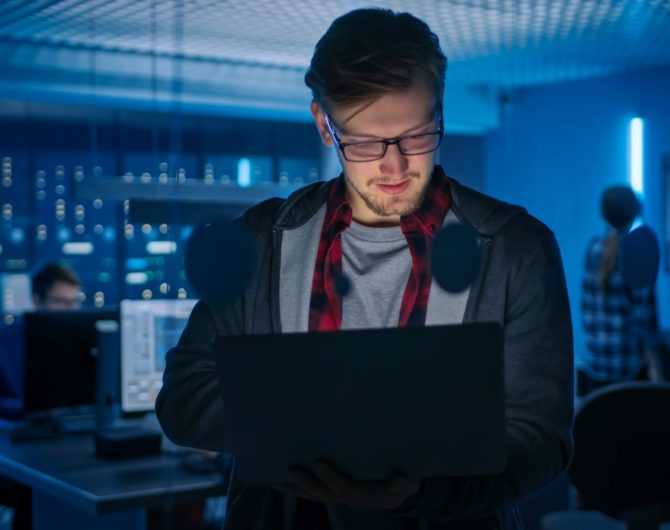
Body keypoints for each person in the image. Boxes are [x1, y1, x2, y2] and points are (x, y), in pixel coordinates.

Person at [156, 8, 573, 530]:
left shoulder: (517, 250)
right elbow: (183, 397)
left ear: (440, 110)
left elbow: (542, 436)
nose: (395, 167)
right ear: (323, 125)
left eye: (418, 135)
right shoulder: (257, 242)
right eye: (366, 143)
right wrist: (327, 429)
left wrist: (423, 490)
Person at [0, 262, 82, 530]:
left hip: (63, 437)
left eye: (74, 302)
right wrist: (29, 408)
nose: (70, 311)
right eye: (61, 302)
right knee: (36, 487)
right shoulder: (6, 341)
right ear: (37, 300)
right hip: (16, 442)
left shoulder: (80, 340)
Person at [579, 185, 659, 396]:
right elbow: (644, 321)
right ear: (635, 212)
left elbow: (586, 311)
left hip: (595, 366)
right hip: (627, 371)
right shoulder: (637, 251)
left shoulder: (593, 247)